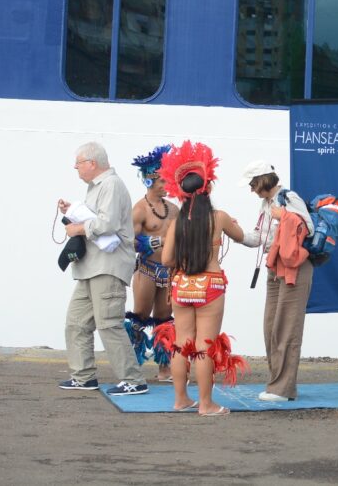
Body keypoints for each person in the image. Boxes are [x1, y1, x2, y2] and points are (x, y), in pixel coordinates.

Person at [156, 141, 247, 416]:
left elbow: (166, 260)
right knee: (205, 346)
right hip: (210, 286)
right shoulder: (218, 218)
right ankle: (206, 404)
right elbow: (242, 237)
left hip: (181, 286)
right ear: (208, 188)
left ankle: (181, 399)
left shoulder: (176, 223)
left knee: (182, 342)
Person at [58, 142, 148, 395]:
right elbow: (100, 218)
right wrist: (73, 212)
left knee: (109, 323)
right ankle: (83, 376)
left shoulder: (111, 185)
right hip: (91, 267)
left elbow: (107, 224)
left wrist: (78, 228)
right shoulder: (99, 187)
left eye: (78, 162)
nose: (75, 167)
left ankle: (133, 379)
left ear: (92, 163)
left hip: (107, 267)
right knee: (76, 323)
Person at [238, 161, 315, 402]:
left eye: (252, 184)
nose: (251, 190)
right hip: (274, 267)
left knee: (286, 327)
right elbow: (257, 238)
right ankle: (277, 384)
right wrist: (233, 231)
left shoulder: (288, 197)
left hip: (294, 268)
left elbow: (308, 228)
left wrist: (285, 217)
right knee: (271, 326)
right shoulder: (266, 204)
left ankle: (283, 388)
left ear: (262, 180)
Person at [125, 145, 178, 381]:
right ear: (149, 180)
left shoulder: (174, 209)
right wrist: (159, 242)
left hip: (168, 270)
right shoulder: (139, 210)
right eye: (162, 182)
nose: (167, 186)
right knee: (140, 315)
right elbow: (131, 242)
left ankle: (164, 367)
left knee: (165, 319)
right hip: (146, 269)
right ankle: (132, 365)